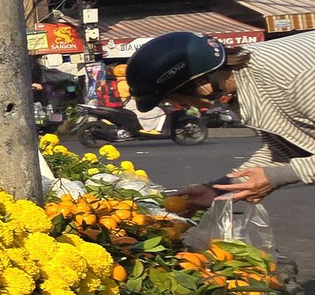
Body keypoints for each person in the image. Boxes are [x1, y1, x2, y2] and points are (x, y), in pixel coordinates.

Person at [127, 30, 315, 204]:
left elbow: (285, 164)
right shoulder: (246, 82)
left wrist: (276, 177)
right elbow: (285, 149)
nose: (180, 106)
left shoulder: (295, 78)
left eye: (174, 98)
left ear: (201, 82)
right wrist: (217, 188)